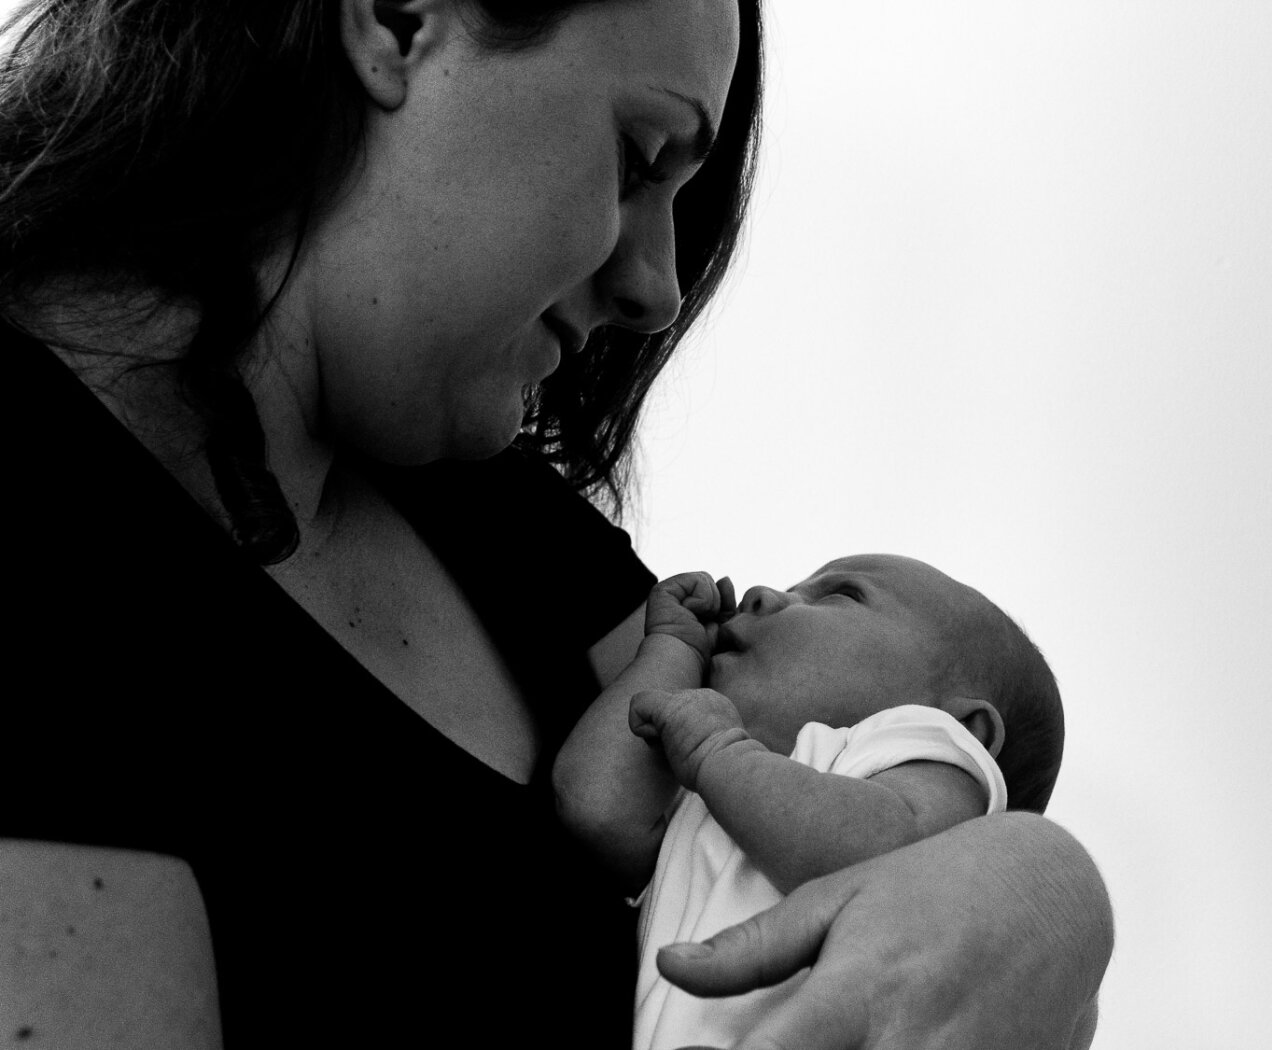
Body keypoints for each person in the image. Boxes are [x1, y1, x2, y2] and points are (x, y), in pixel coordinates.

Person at [0, 1, 1111, 1047]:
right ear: (396, 22)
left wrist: (1047, 892)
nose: (659, 290)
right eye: (639, 156)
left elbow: (883, 812)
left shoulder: (490, 511)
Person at [554, 556, 1064, 1049]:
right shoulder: (707, 787)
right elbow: (596, 806)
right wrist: (672, 650)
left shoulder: (921, 752)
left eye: (841, 594)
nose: (761, 595)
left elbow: (882, 853)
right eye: (796, 588)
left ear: (966, 728)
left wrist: (717, 752)